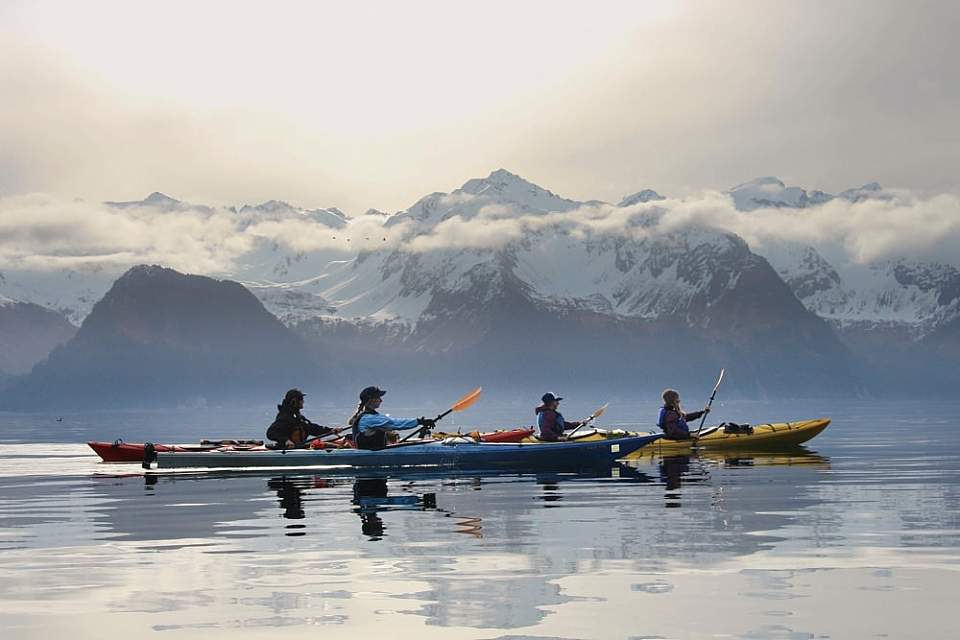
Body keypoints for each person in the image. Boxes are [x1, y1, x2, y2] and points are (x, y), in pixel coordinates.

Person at [348, 386, 436, 451]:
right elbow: (395, 423)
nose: (381, 400)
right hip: (372, 454)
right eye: (379, 398)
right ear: (371, 400)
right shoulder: (369, 418)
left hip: (373, 450)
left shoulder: (368, 416)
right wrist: (419, 421)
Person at [266, 388, 334, 447]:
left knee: (330, 443)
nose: (303, 401)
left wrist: (331, 430)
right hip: (286, 449)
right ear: (294, 401)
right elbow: (270, 433)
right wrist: (286, 440)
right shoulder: (284, 417)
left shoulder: (297, 417)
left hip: (300, 447)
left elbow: (312, 428)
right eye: (301, 399)